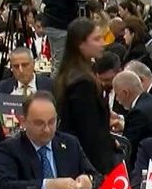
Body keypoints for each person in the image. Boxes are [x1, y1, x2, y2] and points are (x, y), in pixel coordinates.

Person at [0, 91, 98, 189]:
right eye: (39, 123)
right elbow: (6, 188)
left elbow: (97, 177)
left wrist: (89, 181)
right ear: (23, 121)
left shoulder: (70, 143)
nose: (47, 129)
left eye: (51, 122)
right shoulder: (10, 149)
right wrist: (48, 185)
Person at [51, 18, 122, 174]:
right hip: (90, 164)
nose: (102, 43)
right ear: (80, 44)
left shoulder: (73, 73)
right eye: (96, 39)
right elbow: (89, 133)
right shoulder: (82, 83)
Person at [111, 69, 152, 160]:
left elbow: (127, 147)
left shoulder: (138, 112)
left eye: (117, 94)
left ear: (125, 93)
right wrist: (124, 126)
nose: (117, 99)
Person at [0, 46, 54, 115]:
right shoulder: (1, 90)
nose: (21, 70)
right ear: (11, 68)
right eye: (16, 66)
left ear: (33, 64)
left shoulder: (50, 86)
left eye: (25, 65)